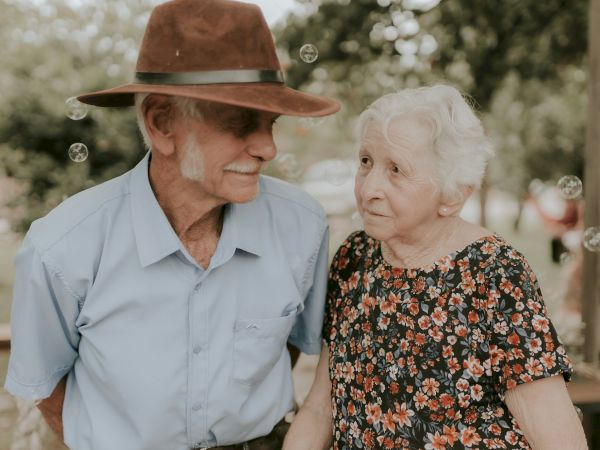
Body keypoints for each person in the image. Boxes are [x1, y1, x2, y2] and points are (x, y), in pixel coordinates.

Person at [4, 1, 340, 449]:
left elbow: (290, 348)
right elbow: (44, 385)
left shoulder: (304, 226)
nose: (268, 148)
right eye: (241, 122)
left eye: (271, 123)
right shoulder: (62, 248)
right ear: (162, 124)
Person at [283, 85, 588, 449]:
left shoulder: (494, 272)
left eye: (396, 169)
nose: (369, 189)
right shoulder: (354, 256)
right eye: (366, 162)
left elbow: (553, 429)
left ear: (453, 194)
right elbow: (321, 408)